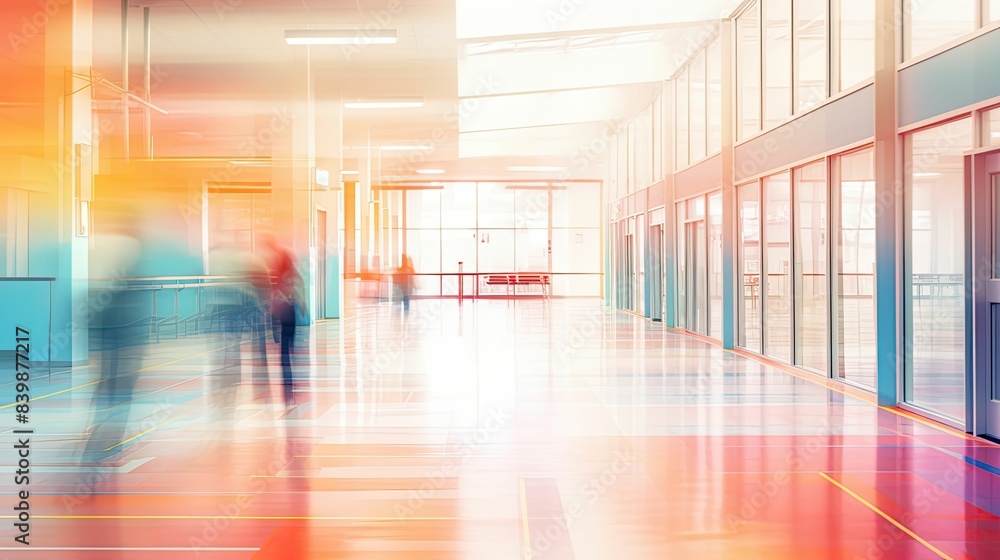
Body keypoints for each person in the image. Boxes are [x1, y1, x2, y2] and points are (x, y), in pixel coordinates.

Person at [264, 237, 303, 406]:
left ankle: (287, 378)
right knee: (288, 346)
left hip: (280, 308)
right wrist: (301, 303)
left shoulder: (275, 274)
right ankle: (289, 379)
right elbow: (299, 286)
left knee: (283, 347)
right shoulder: (291, 274)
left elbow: (271, 291)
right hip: (289, 308)